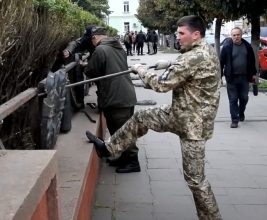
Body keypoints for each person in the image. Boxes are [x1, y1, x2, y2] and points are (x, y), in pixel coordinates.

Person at [86, 15, 222, 219]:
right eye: (177, 33)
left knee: (195, 180)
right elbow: (188, 68)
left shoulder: (193, 57)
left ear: (196, 34)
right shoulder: (202, 50)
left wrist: (141, 69)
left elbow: (160, 85)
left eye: (182, 33)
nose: (178, 36)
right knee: (142, 117)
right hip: (181, 114)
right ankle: (108, 148)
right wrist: (167, 63)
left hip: (193, 125)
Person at [84, 26, 141, 173]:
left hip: (115, 97)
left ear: (94, 38)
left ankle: (133, 162)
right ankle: (124, 157)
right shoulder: (117, 47)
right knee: (119, 130)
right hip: (124, 94)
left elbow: (91, 71)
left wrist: (84, 65)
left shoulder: (100, 50)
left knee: (123, 131)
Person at [220, 27, 257, 128]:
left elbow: (252, 61)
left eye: (238, 35)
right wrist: (220, 76)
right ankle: (234, 120)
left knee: (244, 98)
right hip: (231, 77)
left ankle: (241, 112)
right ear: (231, 36)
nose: (236, 37)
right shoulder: (227, 47)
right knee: (233, 99)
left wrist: (254, 74)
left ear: (241, 35)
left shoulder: (247, 46)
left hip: (245, 77)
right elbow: (221, 62)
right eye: (234, 35)